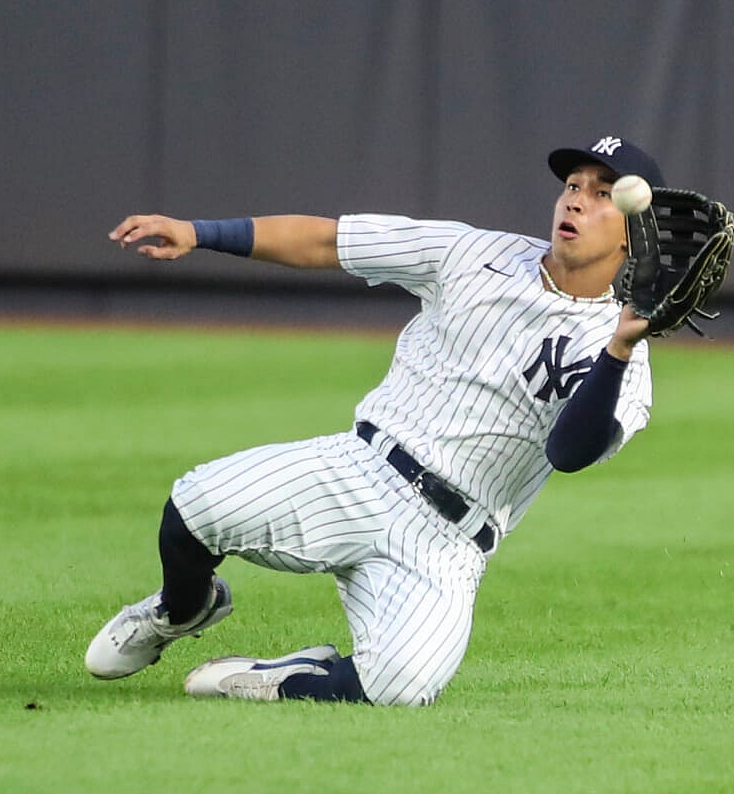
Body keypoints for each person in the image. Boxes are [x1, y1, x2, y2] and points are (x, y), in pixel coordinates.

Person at [86, 135, 661, 706]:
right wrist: (199, 233)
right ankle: (181, 609)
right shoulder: (471, 253)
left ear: (633, 229)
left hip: (447, 545)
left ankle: (280, 677)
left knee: (401, 688)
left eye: (603, 192)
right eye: (572, 186)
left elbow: (571, 451)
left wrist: (617, 350)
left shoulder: (622, 356)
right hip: (361, 469)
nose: (576, 201)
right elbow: (326, 241)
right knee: (195, 506)